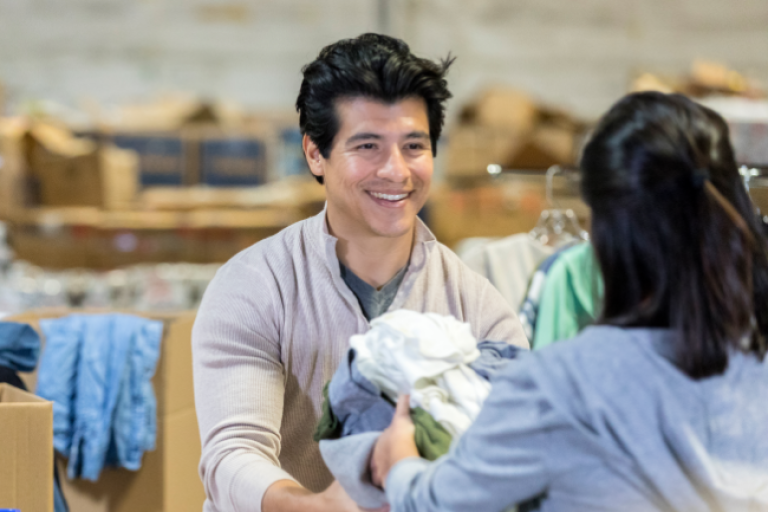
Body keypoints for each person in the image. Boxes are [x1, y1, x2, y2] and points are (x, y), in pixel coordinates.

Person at [371, 91, 768, 512]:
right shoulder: (752, 361)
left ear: (603, 227)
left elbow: (442, 503)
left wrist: (399, 463)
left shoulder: (561, 385)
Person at [192, 33, 529, 512]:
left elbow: (513, 454)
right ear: (315, 154)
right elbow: (233, 454)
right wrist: (318, 507)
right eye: (367, 145)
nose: (395, 171)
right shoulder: (253, 286)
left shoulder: (478, 307)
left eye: (414, 145)